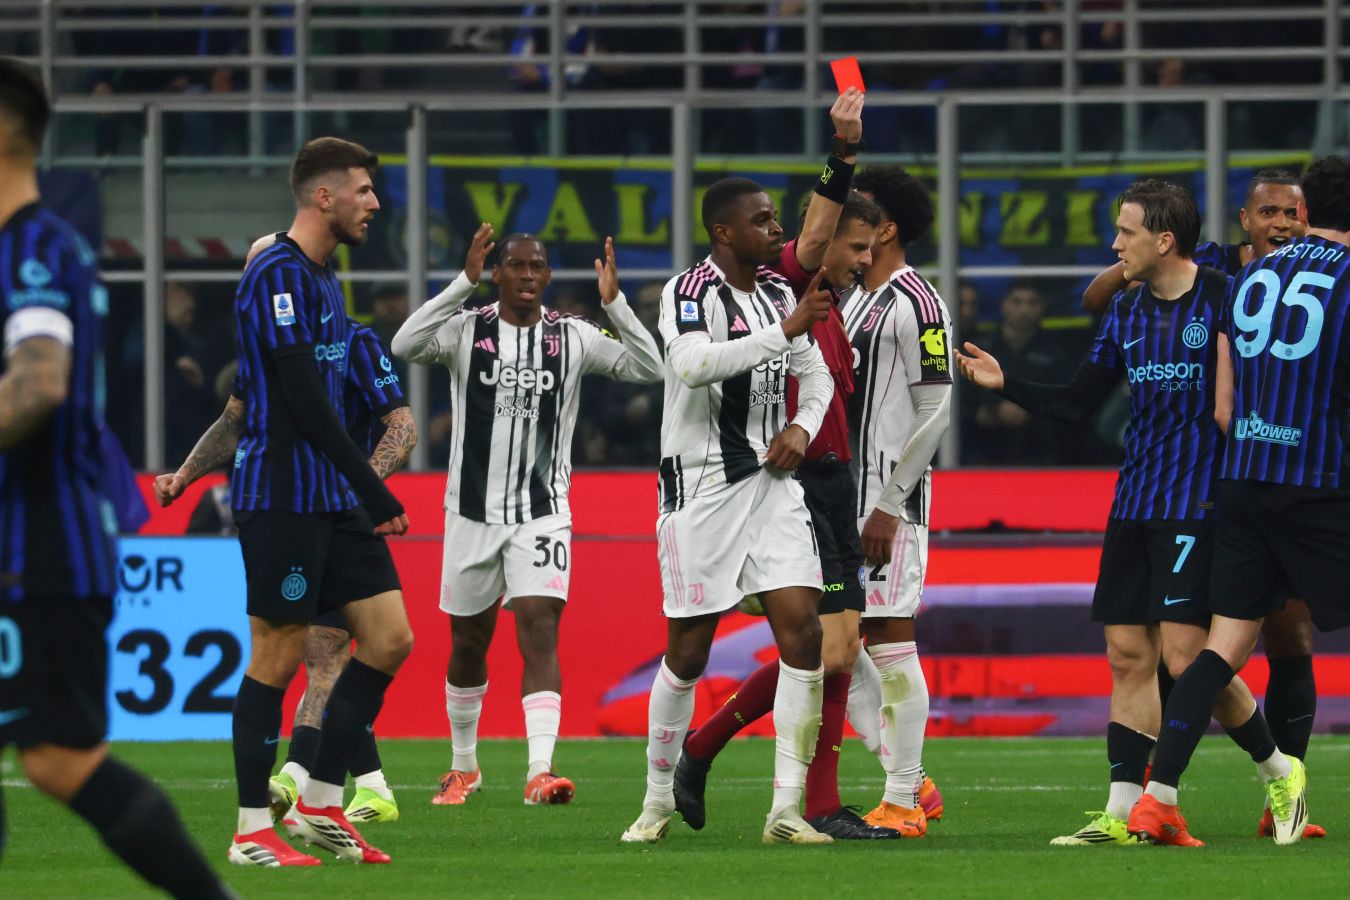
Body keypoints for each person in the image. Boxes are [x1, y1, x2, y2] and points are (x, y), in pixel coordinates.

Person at [959, 179, 1290, 848]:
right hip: (1135, 500)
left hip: (1200, 504)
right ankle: (1121, 810)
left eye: (1126, 232)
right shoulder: (1127, 310)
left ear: (1163, 241)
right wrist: (1006, 383)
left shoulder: (1226, 299)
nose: (1114, 245)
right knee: (1127, 653)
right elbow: (1079, 403)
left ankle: (1278, 770)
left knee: (1185, 659)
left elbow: (1259, 401)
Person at [0, 57, 231, 898]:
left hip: (38, 554)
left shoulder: (31, 249)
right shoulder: (34, 246)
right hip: (26, 545)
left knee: (59, 758)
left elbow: (39, 380)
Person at [670, 89, 898, 842]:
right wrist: (843, 154)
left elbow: (828, 390)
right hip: (783, 484)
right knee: (826, 647)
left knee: (836, 649)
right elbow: (816, 229)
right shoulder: (791, 288)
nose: (860, 258)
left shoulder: (823, 303)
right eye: (852, 246)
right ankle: (771, 781)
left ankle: (737, 764)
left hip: (832, 479)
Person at [1083, 169, 1322, 840]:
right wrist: (1128, 267)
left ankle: (1268, 784)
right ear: (1245, 221)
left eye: (1292, 212)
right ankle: (1150, 803)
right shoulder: (1218, 275)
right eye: (1268, 211)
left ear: (1308, 218)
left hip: (1259, 486)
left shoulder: (1307, 281)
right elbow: (1097, 299)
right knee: (1162, 654)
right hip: (1189, 490)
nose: (1281, 222)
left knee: (1275, 637)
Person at [392, 227, 663, 808]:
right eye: (515, 265)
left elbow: (651, 367)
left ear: (547, 276)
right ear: (497, 273)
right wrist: (461, 283)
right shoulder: (467, 330)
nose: (527, 275)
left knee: (540, 626)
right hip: (470, 513)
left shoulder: (574, 336)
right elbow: (405, 344)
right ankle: (464, 767)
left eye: (537, 266)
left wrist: (615, 304)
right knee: (469, 642)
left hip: (542, 513)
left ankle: (541, 770)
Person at [157, 233, 419, 828]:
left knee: (341, 651)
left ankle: (304, 782)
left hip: (338, 511)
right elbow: (234, 418)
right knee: (318, 654)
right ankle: (348, 787)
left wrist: (363, 487)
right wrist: (186, 475)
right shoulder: (270, 351)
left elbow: (402, 427)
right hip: (290, 507)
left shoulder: (353, 341)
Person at [216, 137, 414, 866]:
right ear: (323, 196)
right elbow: (301, 399)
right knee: (278, 653)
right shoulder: (275, 272)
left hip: (330, 496)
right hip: (283, 497)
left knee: (390, 638)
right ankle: (250, 830)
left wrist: (356, 490)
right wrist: (374, 487)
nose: (375, 204)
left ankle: (321, 803)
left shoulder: (325, 280)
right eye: (363, 190)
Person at [620, 176, 835, 845]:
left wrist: (802, 425)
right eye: (763, 221)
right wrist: (784, 332)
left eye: (775, 219)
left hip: (773, 486)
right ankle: (656, 799)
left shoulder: (777, 292)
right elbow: (691, 366)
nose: (777, 230)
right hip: (702, 488)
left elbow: (818, 374)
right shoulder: (687, 292)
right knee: (688, 652)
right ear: (724, 232)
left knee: (805, 635)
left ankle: (785, 812)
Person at [838, 164, 951, 838]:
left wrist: (887, 504)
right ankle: (911, 780)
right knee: (833, 643)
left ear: (886, 229)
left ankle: (904, 799)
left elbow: (935, 412)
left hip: (887, 505)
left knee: (887, 636)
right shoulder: (854, 298)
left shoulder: (920, 303)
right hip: (836, 499)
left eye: (862, 207)